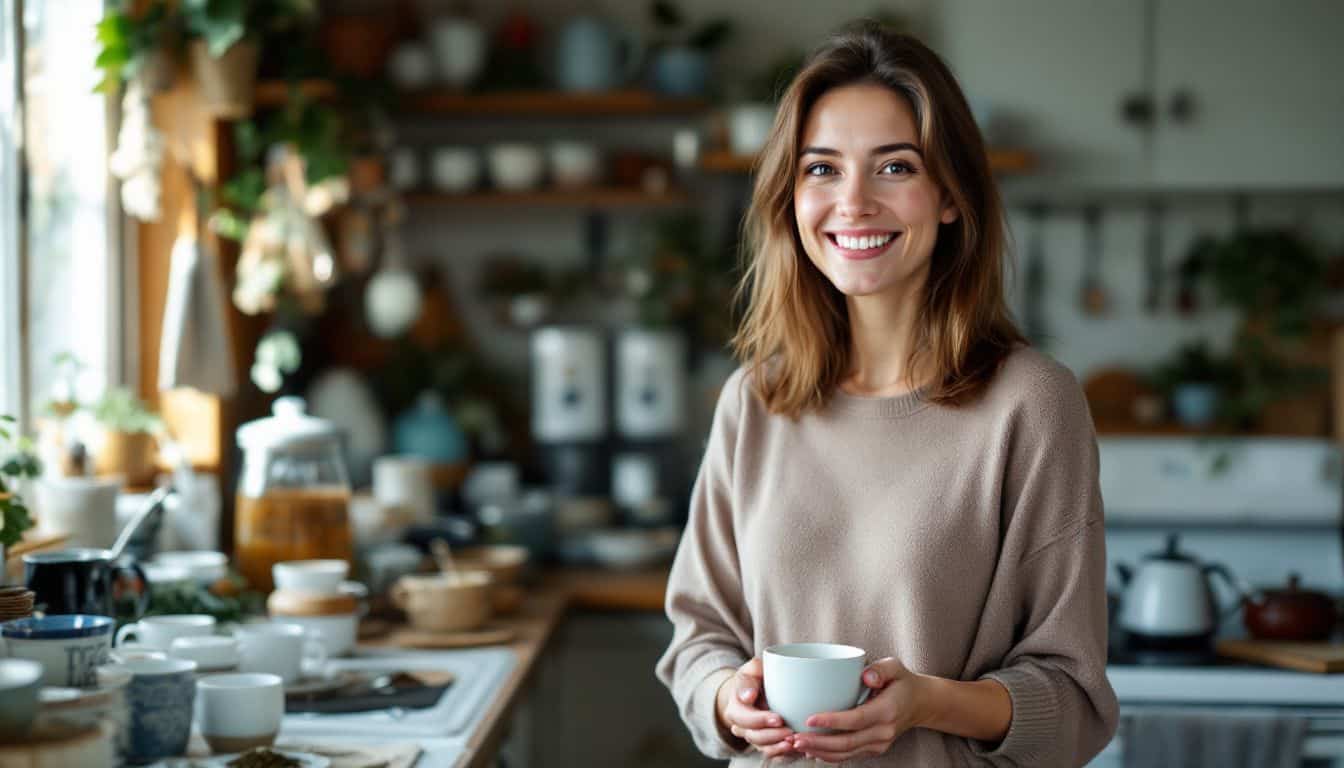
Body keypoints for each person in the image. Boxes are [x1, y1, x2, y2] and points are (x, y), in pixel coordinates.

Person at [655, 20, 1119, 767]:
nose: (854, 202)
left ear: (949, 196)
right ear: (790, 198)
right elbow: (699, 638)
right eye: (822, 169)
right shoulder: (755, 401)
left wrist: (927, 702)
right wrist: (727, 698)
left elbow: (1073, 699)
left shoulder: (1032, 405)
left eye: (895, 167)